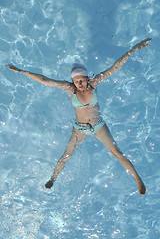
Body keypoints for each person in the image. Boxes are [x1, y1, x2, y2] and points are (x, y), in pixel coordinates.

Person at [6, 38, 152, 195]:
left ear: (87, 78)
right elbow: (45, 80)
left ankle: (137, 179)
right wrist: (21, 71)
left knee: (116, 152)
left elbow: (115, 67)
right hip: (79, 129)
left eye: (81, 79)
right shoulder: (70, 89)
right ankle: (53, 178)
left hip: (98, 126)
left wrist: (133, 49)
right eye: (76, 81)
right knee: (67, 155)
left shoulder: (95, 83)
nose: (79, 83)